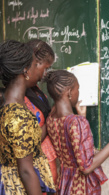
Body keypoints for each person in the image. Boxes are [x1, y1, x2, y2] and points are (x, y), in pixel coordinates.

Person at [44, 69, 109, 195]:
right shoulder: (77, 122)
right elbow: (86, 167)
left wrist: (82, 117)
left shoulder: (51, 118)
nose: (78, 93)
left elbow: (73, 146)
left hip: (65, 181)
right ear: (69, 92)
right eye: (77, 89)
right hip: (81, 186)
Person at [0, 40, 56, 195]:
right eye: (34, 63)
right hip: (19, 186)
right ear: (25, 70)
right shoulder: (19, 117)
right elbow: (26, 171)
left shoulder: (4, 100)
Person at [24, 39, 58, 191]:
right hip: (35, 169)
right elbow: (31, 141)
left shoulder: (35, 89)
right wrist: (50, 118)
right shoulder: (18, 98)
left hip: (46, 162)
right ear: (34, 63)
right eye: (45, 68)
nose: (45, 74)